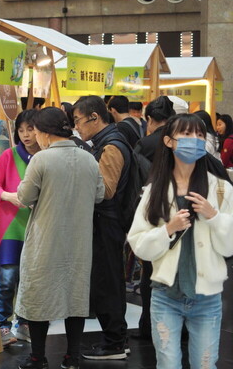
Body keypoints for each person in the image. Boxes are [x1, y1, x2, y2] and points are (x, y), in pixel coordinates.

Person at [127, 114, 233, 369]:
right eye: (186, 134)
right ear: (168, 141)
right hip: (166, 295)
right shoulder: (155, 190)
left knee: (205, 364)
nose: (194, 141)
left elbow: (229, 247)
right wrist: (168, 230)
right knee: (168, 363)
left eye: (199, 135)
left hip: (207, 297)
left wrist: (214, 216)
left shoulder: (220, 189)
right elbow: (138, 242)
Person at [15, 107, 104, 369]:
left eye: (34, 131)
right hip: (79, 240)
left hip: (46, 239)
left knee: (38, 296)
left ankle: (37, 358)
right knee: (75, 298)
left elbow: (24, 197)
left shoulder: (41, 160)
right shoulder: (89, 158)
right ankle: (72, 358)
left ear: (43, 133)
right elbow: (99, 194)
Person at [73, 95, 130, 360]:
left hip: (108, 222)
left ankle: (114, 343)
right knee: (107, 280)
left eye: (78, 121)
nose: (77, 128)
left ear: (94, 117)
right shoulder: (106, 141)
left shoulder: (112, 146)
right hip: (106, 222)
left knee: (107, 281)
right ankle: (115, 339)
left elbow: (105, 190)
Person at [0, 110, 41, 346]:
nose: (26, 135)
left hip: (36, 227)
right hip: (9, 228)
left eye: (30, 129)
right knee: (7, 278)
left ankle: (25, 323)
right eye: (21, 130)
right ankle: (3, 326)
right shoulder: (9, 155)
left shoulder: (45, 157)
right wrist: (8, 195)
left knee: (31, 279)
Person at [131, 95, 176, 340]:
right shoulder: (183, 141)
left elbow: (136, 183)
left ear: (149, 119)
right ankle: (180, 327)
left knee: (150, 273)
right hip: (181, 214)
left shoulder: (145, 144)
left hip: (152, 215)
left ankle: (149, 326)